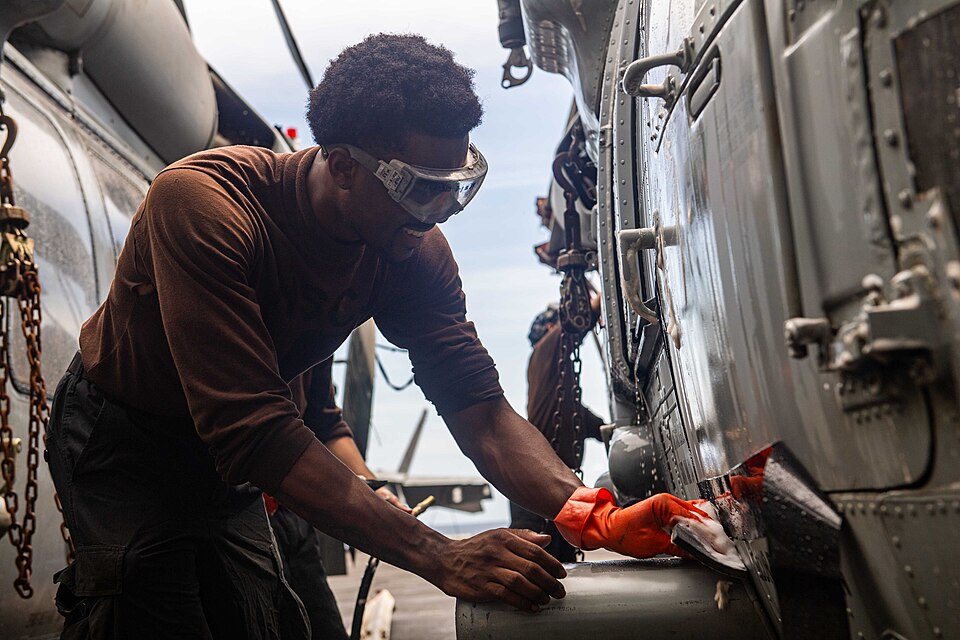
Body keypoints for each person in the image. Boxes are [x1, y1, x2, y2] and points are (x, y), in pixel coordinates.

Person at [45, 34, 711, 639]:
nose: (441, 211)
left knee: (262, 620)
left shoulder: (410, 246)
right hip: (124, 439)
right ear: (341, 166)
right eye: (421, 189)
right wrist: (438, 554)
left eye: (459, 186)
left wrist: (590, 515)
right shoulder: (204, 208)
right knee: (148, 614)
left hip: (229, 456)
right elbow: (251, 428)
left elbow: (478, 407)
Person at [268, 361, 407, 640]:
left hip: (290, 514)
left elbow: (326, 423)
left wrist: (371, 490)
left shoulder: (318, 335)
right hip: (233, 518)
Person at [509, 296, 604, 562]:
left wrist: (611, 431)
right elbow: (570, 325)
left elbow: (587, 421)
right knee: (538, 560)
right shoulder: (545, 351)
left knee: (561, 563)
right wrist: (595, 304)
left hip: (547, 485)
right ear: (550, 329)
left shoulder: (558, 387)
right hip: (537, 485)